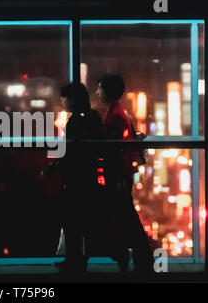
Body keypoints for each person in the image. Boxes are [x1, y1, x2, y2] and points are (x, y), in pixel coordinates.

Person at [42, 82, 105, 272]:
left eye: (64, 97)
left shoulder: (76, 121)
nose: (61, 100)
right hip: (87, 176)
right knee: (79, 221)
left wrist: (52, 169)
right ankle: (77, 258)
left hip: (76, 178)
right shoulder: (92, 117)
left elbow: (69, 152)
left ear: (71, 99)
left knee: (71, 220)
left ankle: (74, 259)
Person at [95, 73, 154, 273]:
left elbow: (115, 150)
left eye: (100, 88)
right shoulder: (119, 112)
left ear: (108, 91)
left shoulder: (116, 116)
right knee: (125, 217)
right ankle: (136, 258)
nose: (97, 92)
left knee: (126, 218)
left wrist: (119, 176)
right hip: (122, 174)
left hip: (118, 175)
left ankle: (140, 258)